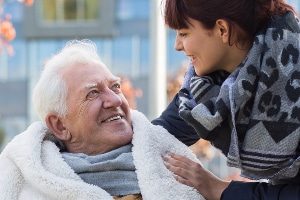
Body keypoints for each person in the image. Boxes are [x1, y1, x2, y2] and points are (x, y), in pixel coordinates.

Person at [0, 40, 205, 200]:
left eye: (115, 86)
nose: (115, 99)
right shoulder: (25, 186)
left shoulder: (171, 163)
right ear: (60, 125)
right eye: (93, 93)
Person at [152, 0, 300, 199]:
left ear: (222, 29)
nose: (177, 46)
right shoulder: (209, 85)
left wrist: (217, 188)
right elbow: (158, 134)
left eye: (184, 33)